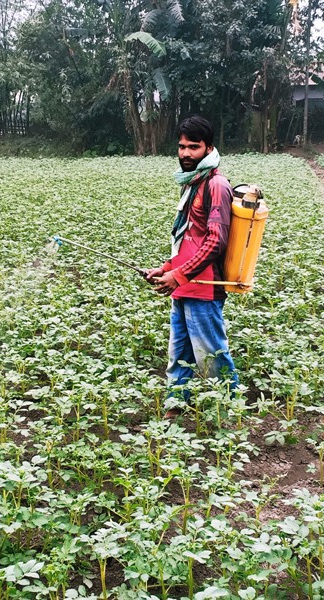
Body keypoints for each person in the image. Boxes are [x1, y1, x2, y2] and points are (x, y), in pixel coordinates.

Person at [144, 116, 239, 418]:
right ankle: (176, 405)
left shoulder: (216, 185)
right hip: (183, 285)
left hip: (204, 288)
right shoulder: (192, 183)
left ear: (208, 148)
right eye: (182, 147)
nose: (185, 153)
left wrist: (179, 274)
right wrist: (167, 268)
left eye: (193, 147)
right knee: (179, 353)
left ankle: (230, 411)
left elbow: (215, 241)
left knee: (212, 354)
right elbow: (189, 238)